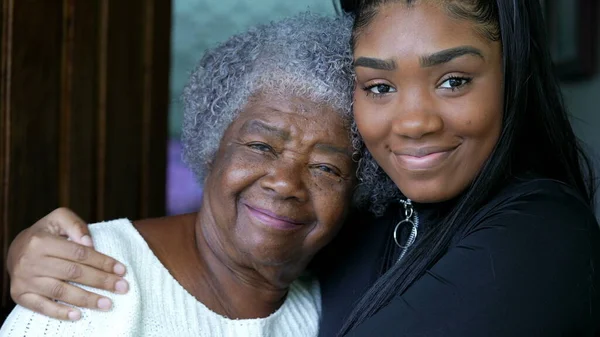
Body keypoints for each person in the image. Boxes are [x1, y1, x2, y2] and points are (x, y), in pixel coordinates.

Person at [5, 1, 600, 336]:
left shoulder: (538, 236)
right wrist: (27, 252)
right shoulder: (93, 291)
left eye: (453, 80)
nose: (413, 121)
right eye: (380, 85)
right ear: (213, 141)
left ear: (512, 76)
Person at [0, 12, 356, 336]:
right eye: (261, 146)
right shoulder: (89, 277)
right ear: (212, 145)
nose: (284, 182)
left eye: (326, 168)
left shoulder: (331, 307)